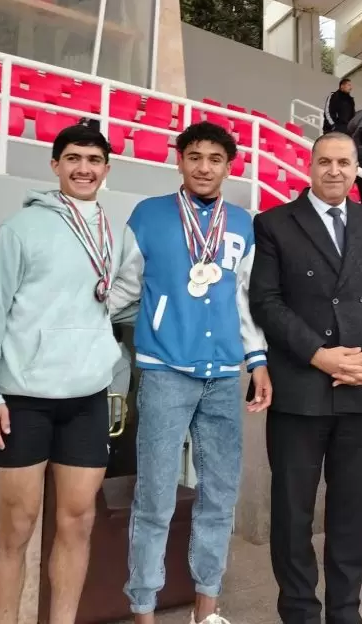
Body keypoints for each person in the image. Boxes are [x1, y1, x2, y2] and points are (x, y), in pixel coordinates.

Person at [109, 121, 271, 624]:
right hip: (165, 371)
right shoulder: (149, 215)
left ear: (229, 167)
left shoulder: (242, 223)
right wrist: (86, 321)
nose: (204, 167)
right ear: (178, 160)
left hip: (223, 375)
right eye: (194, 156)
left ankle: (207, 608)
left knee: (219, 495)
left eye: (215, 159)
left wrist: (257, 360)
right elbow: (124, 289)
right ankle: (143, 610)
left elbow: (243, 299)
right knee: (155, 498)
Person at [249, 132, 362, 624]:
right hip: (301, 388)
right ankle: (299, 611)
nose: (334, 171)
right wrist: (319, 356)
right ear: (310, 166)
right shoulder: (275, 223)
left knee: (353, 511)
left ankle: (345, 610)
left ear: (356, 168)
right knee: (293, 510)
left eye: (344, 162)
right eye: (325, 162)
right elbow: (266, 301)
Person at [0, 122, 121, 624]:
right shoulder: (21, 228)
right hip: (24, 398)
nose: (83, 169)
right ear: (55, 165)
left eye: (93, 160)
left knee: (78, 522)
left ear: (106, 169)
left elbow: (122, 296)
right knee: (17, 525)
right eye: (73, 158)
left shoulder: (115, 232)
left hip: (87, 398)